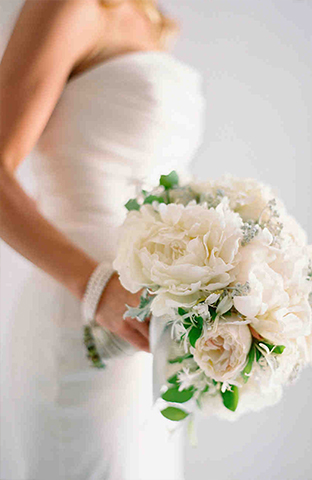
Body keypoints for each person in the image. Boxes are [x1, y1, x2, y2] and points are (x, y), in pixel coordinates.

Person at [0, 1, 205, 478]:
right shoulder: (68, 5)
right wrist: (98, 288)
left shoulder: (151, 18)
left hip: (149, 319)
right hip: (84, 314)